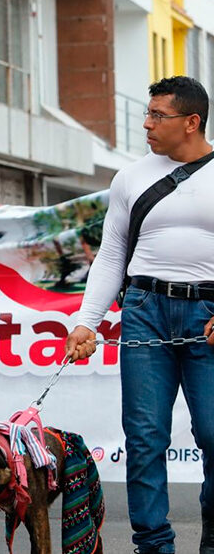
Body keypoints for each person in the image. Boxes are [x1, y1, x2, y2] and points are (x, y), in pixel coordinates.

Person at [66, 76, 214, 554]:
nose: (147, 124)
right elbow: (111, 257)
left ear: (191, 122)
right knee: (145, 436)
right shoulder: (130, 177)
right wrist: (86, 321)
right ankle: (152, 544)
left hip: (208, 314)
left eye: (158, 116)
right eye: (146, 115)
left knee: (213, 434)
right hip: (144, 310)